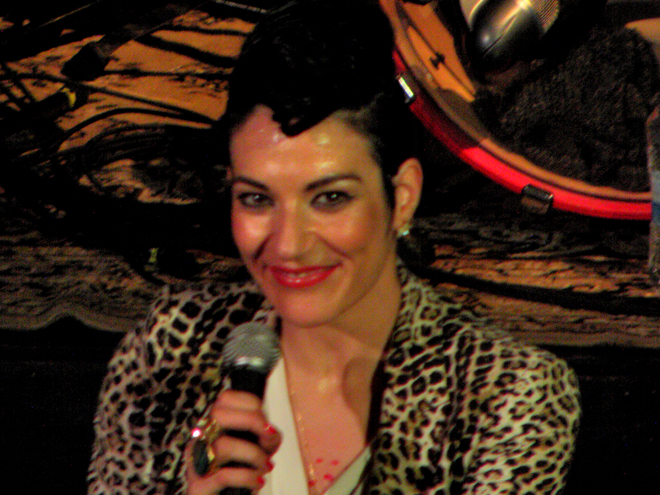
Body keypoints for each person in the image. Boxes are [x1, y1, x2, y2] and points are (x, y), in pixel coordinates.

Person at [87, 1, 581, 494]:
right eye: (256, 199)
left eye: (329, 199)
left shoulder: (509, 389)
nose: (288, 244)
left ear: (402, 198)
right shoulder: (169, 349)